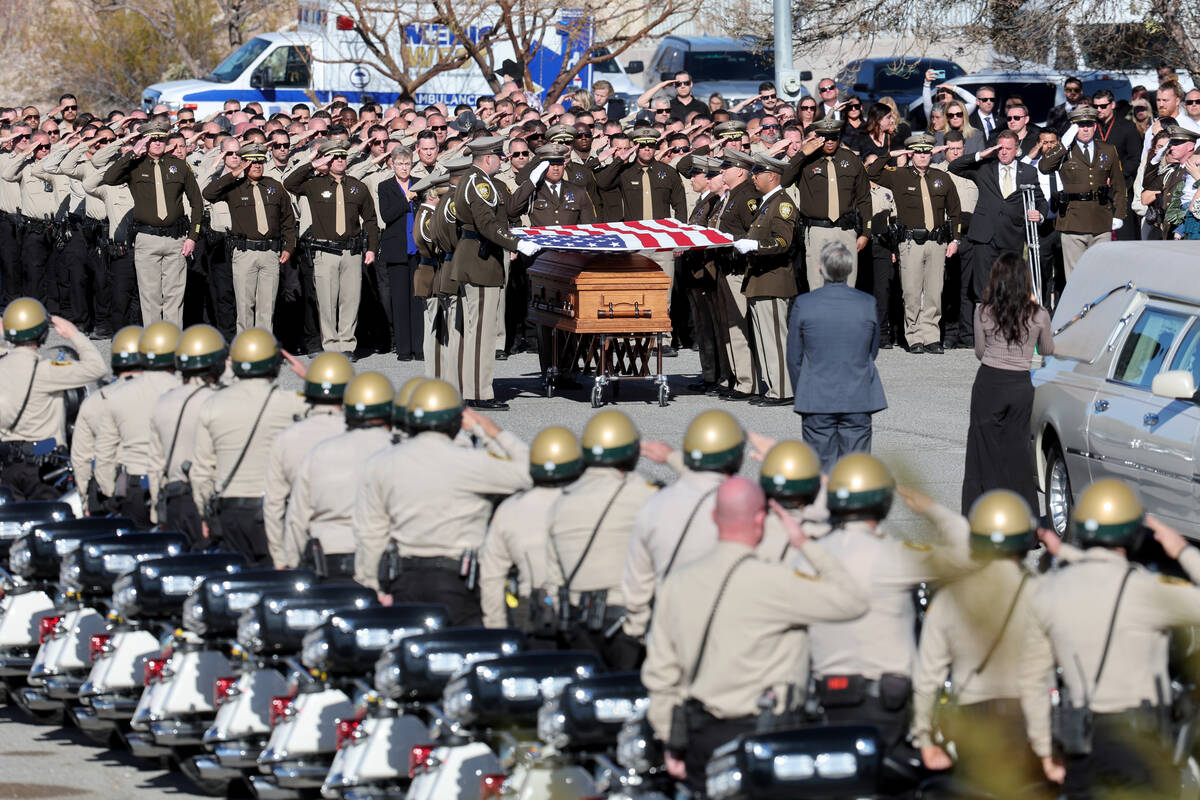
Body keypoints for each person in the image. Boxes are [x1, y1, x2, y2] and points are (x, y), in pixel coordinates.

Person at [641, 475, 868, 796]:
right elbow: (852, 601)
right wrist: (804, 543)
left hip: (702, 734)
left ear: (713, 518)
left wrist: (671, 740)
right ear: (760, 520)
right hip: (768, 739)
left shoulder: (677, 585)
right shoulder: (776, 583)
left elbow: (661, 673)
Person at [1019, 479, 1200, 797]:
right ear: (1132, 532)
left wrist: (1046, 751)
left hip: (1081, 743)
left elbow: (1033, 681)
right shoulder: (1146, 591)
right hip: (1141, 746)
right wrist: (1182, 550)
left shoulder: (1048, 592)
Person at [809, 455, 973, 772]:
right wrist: (932, 510)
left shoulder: (810, 558)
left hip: (825, 705)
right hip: (884, 708)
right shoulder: (894, 558)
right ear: (883, 503)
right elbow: (968, 552)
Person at [353, 379, 532, 625]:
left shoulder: (381, 463)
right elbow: (530, 472)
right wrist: (489, 432)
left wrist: (373, 587)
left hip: (404, 580)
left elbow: (370, 534)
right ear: (456, 422)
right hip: (457, 581)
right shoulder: (472, 463)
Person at [911, 490, 1048, 796]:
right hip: (1027, 717)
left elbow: (927, 677)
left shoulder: (951, 598)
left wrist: (924, 738)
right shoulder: (1041, 594)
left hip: (974, 720)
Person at [542, 410, 660, 669]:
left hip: (576, 624)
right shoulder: (644, 496)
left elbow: (553, 578)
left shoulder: (562, 500)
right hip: (626, 624)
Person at [622, 410, 745, 642]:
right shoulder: (748, 507)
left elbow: (637, 584)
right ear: (738, 457)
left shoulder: (655, 505)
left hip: (671, 630)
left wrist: (637, 632)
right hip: (731, 630)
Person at [190, 327, 309, 564]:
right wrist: (311, 376)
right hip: (270, 511)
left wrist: (205, 516)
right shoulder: (290, 403)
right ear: (275, 363)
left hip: (228, 511)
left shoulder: (212, 405)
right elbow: (339, 410)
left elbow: (201, 472)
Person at [448, 136, 536, 409]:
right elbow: (487, 224)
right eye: (500, 156)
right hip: (480, 260)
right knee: (482, 333)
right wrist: (517, 243)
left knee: (475, 330)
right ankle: (479, 392)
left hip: (476, 257)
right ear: (488, 158)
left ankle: (470, 388)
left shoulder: (475, 180)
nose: (503, 160)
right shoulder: (480, 183)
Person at [961, 253, 1054, 512]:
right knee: (1018, 451)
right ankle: (1023, 517)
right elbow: (1047, 349)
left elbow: (980, 351)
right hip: (1020, 384)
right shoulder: (1039, 314)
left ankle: (980, 513)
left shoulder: (983, 311)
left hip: (990, 380)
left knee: (983, 449)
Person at [282, 372, 393, 579]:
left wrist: (291, 563)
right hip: (380, 559)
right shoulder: (395, 451)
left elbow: (297, 518)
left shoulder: (320, 453)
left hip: (328, 556)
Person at [479, 425, 584, 644]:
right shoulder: (591, 506)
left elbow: (491, 578)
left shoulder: (509, 510)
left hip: (531, 614)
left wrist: (497, 631)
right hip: (583, 616)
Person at [786, 242, 887, 471]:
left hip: (817, 397)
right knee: (856, 469)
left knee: (821, 470)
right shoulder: (867, 303)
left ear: (821, 269)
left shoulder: (805, 304)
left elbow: (794, 357)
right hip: (858, 395)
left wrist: (802, 389)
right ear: (850, 270)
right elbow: (871, 350)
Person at [0, 298, 106, 499]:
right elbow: (97, 368)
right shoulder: (47, 371)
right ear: (43, 334)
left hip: (8, 466)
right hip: (44, 466)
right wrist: (74, 334)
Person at [866, 132, 962, 354]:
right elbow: (872, 172)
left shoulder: (942, 177)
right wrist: (890, 154)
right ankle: (914, 336)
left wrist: (955, 239)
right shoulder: (899, 175)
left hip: (937, 242)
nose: (922, 156)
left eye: (926, 152)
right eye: (917, 152)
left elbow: (955, 210)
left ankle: (931, 337)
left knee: (934, 292)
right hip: (910, 243)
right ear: (911, 154)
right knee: (910, 291)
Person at [284, 139, 380, 356]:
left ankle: (347, 344)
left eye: (342, 156)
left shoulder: (358, 187)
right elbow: (289, 183)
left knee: (350, 299)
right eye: (334, 157)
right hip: (325, 252)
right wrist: (313, 164)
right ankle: (330, 344)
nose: (339, 160)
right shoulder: (314, 184)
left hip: (351, 251)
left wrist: (372, 248)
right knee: (326, 302)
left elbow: (371, 220)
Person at [101, 121, 202, 327]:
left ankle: (173, 341)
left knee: (174, 295)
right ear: (144, 141)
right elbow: (109, 178)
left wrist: (192, 237)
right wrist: (132, 153)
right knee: (150, 296)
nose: (157, 142)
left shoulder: (179, 165)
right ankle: (154, 343)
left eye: (161, 138)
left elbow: (197, 203)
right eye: (152, 139)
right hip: (147, 239)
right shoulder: (135, 165)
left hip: (176, 239)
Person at [262, 351, 352, 568]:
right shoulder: (360, 437)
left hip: (311, 548)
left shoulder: (288, 438)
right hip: (358, 552)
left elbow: (278, 507)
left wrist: (283, 559)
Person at [92, 321, 181, 528]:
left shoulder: (118, 396)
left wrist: (108, 493)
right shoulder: (184, 393)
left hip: (133, 486)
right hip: (174, 487)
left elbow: (104, 453)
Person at [201, 143, 297, 333]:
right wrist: (235, 173)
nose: (257, 165)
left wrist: (289, 247)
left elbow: (288, 219)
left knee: (267, 305)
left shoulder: (274, 186)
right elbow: (208, 193)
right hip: (244, 252)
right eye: (252, 162)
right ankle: (246, 345)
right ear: (244, 163)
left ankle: (264, 346)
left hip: (270, 252)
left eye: (260, 161)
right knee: (245, 305)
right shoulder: (234, 187)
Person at [147, 323, 226, 549]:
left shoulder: (163, 402)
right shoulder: (218, 402)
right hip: (206, 501)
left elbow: (155, 465)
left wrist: (157, 511)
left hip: (173, 500)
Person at [948, 130, 1047, 308]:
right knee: (983, 292)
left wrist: (1039, 214)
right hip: (984, 237)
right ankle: (984, 330)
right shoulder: (984, 167)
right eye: (1000, 148)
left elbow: (1040, 200)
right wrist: (980, 155)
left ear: (1017, 149)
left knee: (1009, 289)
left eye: (1008, 148)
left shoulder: (1028, 172)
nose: (1003, 152)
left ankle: (1007, 330)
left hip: (1012, 236)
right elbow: (954, 166)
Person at [731, 153, 797, 405]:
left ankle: (783, 391)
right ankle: (771, 388)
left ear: (771, 176)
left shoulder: (782, 204)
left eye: (758, 173)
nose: (754, 177)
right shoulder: (766, 203)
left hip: (773, 279)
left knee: (775, 340)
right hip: (760, 279)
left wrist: (755, 245)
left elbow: (783, 241)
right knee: (763, 339)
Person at [781, 118, 872, 290]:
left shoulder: (850, 159)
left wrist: (866, 232)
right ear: (817, 137)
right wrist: (802, 153)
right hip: (817, 231)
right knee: (817, 284)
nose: (830, 142)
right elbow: (784, 180)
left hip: (846, 230)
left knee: (848, 284)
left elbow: (864, 198)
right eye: (825, 137)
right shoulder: (806, 160)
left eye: (834, 137)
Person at [1038, 106, 1127, 278]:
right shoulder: (1064, 150)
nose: (1085, 129)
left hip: (1101, 219)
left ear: (1095, 126)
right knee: (1075, 275)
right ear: (1073, 127)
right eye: (1080, 125)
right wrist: (1063, 144)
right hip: (1073, 220)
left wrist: (1119, 214)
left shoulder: (1108, 149)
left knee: (1102, 273)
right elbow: (1044, 166)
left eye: (1089, 124)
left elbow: (1119, 184)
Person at [71, 325, 142, 515]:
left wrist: (86, 499)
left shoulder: (94, 401)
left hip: (107, 492)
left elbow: (81, 458)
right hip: (149, 490)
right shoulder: (162, 397)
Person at [377, 148, 422, 361]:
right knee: (400, 300)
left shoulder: (421, 183)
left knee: (418, 299)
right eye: (400, 164)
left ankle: (419, 347)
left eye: (407, 163)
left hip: (419, 249)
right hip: (397, 249)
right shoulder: (385, 186)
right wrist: (406, 199)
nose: (404, 168)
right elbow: (387, 215)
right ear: (392, 165)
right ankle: (404, 349)